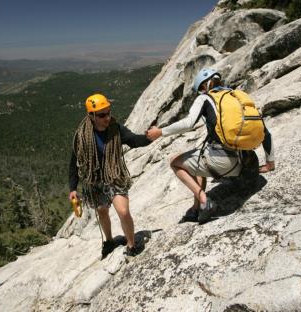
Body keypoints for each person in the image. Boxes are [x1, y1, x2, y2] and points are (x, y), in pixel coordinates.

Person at [146, 68, 275, 223]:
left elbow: (189, 123)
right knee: (197, 158)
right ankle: (195, 209)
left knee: (175, 162)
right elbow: (265, 133)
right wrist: (269, 164)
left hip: (225, 164)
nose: (200, 92)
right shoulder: (237, 97)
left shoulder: (205, 98)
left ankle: (204, 201)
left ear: (205, 86)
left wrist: (160, 132)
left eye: (200, 89)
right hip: (249, 164)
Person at [69, 93, 152, 259]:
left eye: (108, 112)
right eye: (102, 115)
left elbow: (134, 140)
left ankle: (131, 244)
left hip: (114, 176)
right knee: (102, 211)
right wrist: (72, 188)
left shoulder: (116, 129)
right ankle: (109, 241)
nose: (107, 117)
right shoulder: (82, 136)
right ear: (91, 116)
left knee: (123, 211)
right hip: (95, 181)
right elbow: (74, 162)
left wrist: (150, 137)